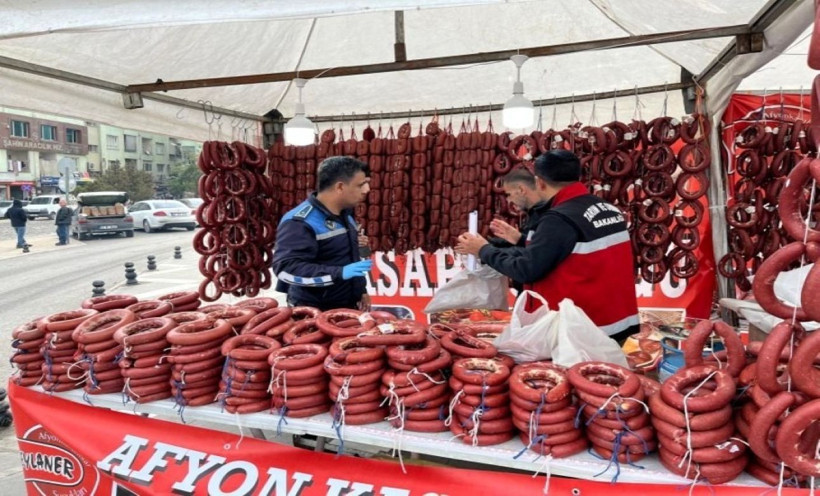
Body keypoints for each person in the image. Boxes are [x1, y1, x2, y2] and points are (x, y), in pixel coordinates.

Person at [455, 150, 639, 343]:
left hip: (582, 333)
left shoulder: (559, 218)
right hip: (614, 324)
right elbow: (566, 252)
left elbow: (527, 270)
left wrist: (483, 250)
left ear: (540, 182)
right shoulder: (607, 208)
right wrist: (520, 239)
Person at [272, 156, 372, 311]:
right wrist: (338, 273)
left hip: (347, 305)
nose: (367, 190)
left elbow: (349, 258)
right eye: (361, 185)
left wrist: (361, 290)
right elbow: (285, 270)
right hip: (312, 310)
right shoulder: (299, 222)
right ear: (340, 187)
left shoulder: (346, 215)